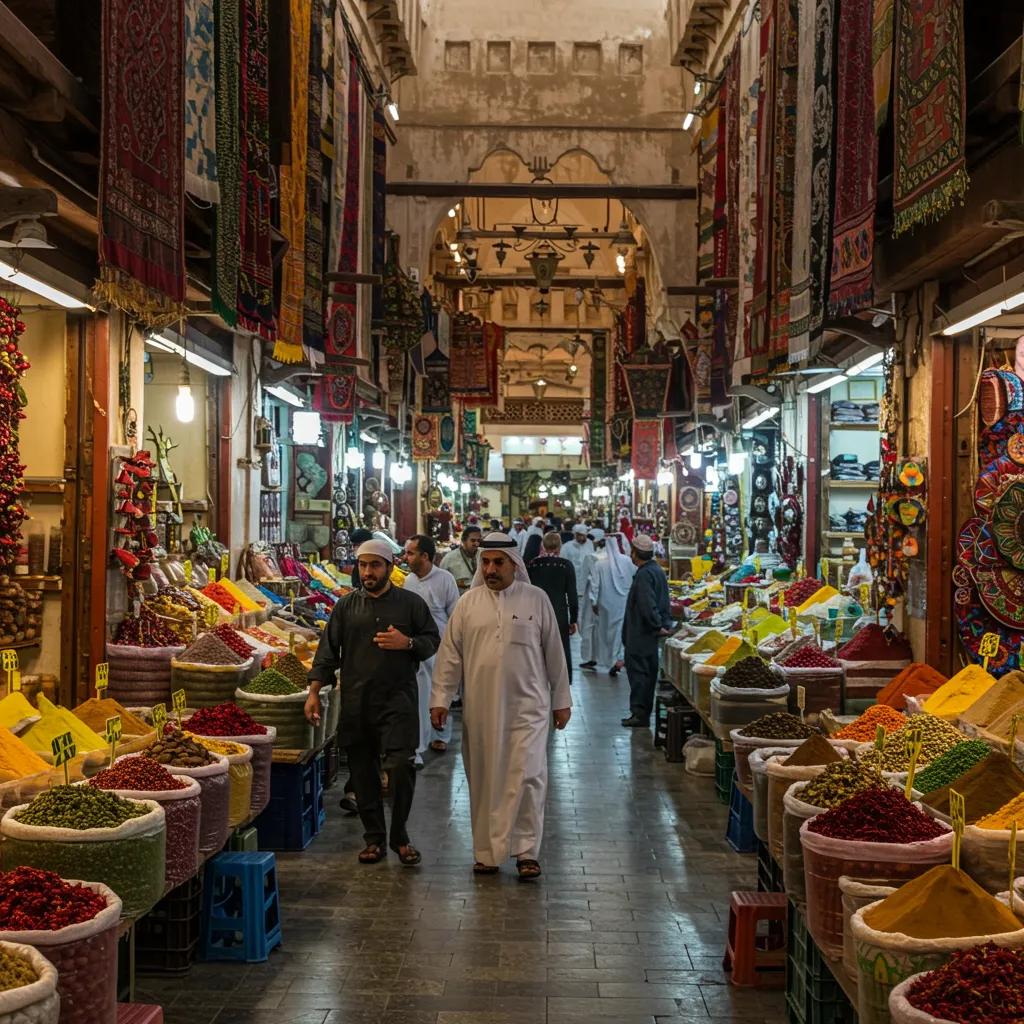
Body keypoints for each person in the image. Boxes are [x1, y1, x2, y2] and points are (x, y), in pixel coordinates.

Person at [430, 533, 571, 880]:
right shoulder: (468, 604)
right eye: (486, 562)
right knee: (485, 779)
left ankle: (526, 852)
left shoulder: (536, 600)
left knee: (529, 777)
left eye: (499, 562)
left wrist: (561, 701)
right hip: (481, 711)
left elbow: (556, 653)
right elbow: (450, 657)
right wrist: (440, 699)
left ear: (514, 564)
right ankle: (487, 853)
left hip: (530, 709)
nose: (491, 569)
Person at [305, 540, 440, 865]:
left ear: (390, 567)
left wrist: (406, 642)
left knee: (401, 767)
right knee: (363, 774)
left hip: (399, 701)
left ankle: (400, 836)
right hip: (357, 702)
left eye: (374, 565)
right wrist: (313, 692)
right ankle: (374, 839)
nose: (367, 572)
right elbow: (327, 653)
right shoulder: (346, 607)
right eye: (363, 565)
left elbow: (431, 640)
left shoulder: (410, 604)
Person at [402, 534, 460, 762]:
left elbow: (455, 616)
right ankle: (418, 744)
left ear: (424, 556)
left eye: (410, 553)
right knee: (420, 695)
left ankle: (441, 734)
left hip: (441, 646)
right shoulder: (409, 581)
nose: (405, 557)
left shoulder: (445, 579)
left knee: (441, 692)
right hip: (416, 645)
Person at [621, 533, 674, 728]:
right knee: (647, 675)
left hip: (641, 635)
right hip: (648, 636)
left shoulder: (644, 574)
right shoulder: (656, 570)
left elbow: (646, 604)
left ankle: (639, 714)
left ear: (635, 553)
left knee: (639, 676)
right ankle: (642, 713)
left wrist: (656, 624)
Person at [526, 531, 578, 677]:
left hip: (536, 614)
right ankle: (562, 682)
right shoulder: (566, 566)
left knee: (538, 649)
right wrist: (573, 619)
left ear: (543, 545)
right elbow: (572, 595)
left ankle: (538, 680)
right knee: (560, 649)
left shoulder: (532, 565)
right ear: (559, 546)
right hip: (559, 614)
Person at [589, 532, 634, 675]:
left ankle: (611, 660)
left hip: (605, 604)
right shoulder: (627, 561)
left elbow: (594, 585)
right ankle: (619, 658)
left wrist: (594, 601)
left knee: (607, 632)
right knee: (621, 631)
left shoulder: (599, 564)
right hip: (624, 602)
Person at [578, 527, 605, 671]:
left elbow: (583, 580)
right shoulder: (610, 557)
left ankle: (589, 657)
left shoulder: (590, 557)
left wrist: (579, 595)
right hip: (606, 598)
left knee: (587, 627)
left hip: (590, 598)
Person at [440, 525, 481, 590]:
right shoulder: (449, 558)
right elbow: (442, 582)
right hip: (459, 597)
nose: (477, 544)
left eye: (478, 541)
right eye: (473, 540)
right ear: (464, 541)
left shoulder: (482, 555)